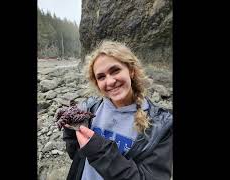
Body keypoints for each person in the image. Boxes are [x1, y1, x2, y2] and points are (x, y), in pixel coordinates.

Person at [62, 40, 173, 180]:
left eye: (115, 71)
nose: (109, 81)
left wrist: (100, 152)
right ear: (97, 83)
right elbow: (77, 157)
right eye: (101, 77)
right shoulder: (89, 110)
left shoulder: (161, 126)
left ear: (131, 71)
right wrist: (70, 133)